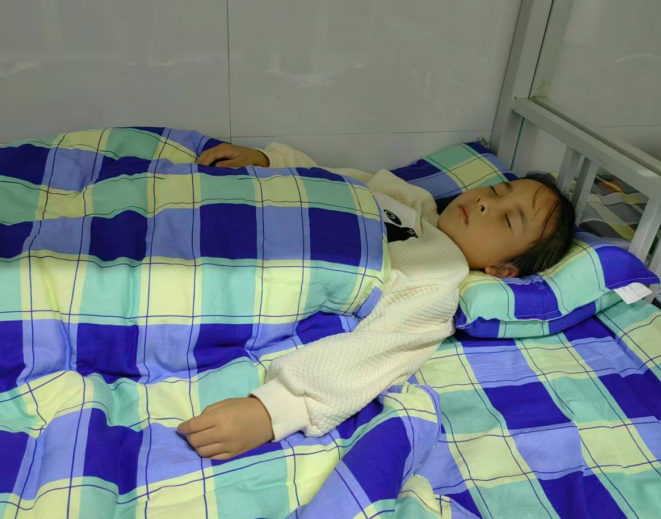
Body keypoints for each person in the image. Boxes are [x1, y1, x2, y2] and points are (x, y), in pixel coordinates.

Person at [177, 142, 575, 460]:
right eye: (495, 191)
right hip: (244, 209)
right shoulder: (415, 201)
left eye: (506, 219)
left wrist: (272, 410)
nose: (486, 203)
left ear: (503, 270)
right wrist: (271, 161)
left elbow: (376, 352)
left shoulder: (440, 278)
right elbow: (339, 180)